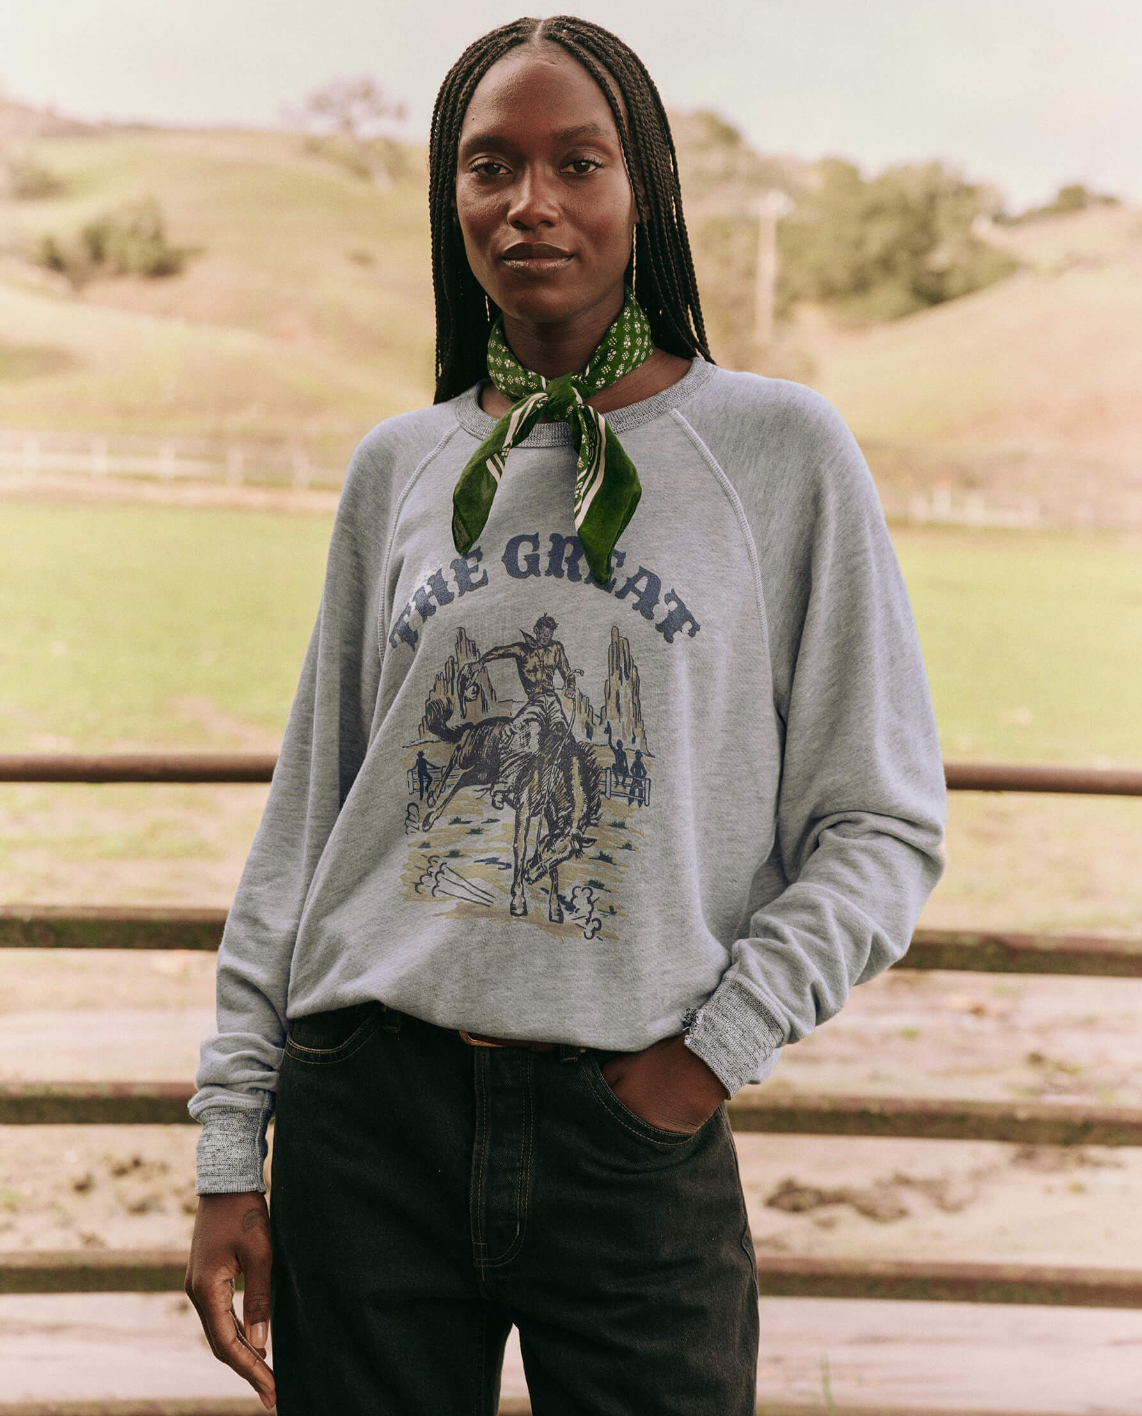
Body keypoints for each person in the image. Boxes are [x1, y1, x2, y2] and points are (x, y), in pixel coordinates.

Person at [185, 16, 946, 1416]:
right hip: (370, 1118)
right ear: (449, 197)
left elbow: (880, 825)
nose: (527, 202)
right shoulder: (403, 468)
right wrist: (234, 1143)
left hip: (630, 1132)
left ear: (640, 192)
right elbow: (308, 826)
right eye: (488, 165)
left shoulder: (779, 455)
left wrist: (696, 1066)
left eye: (574, 163)